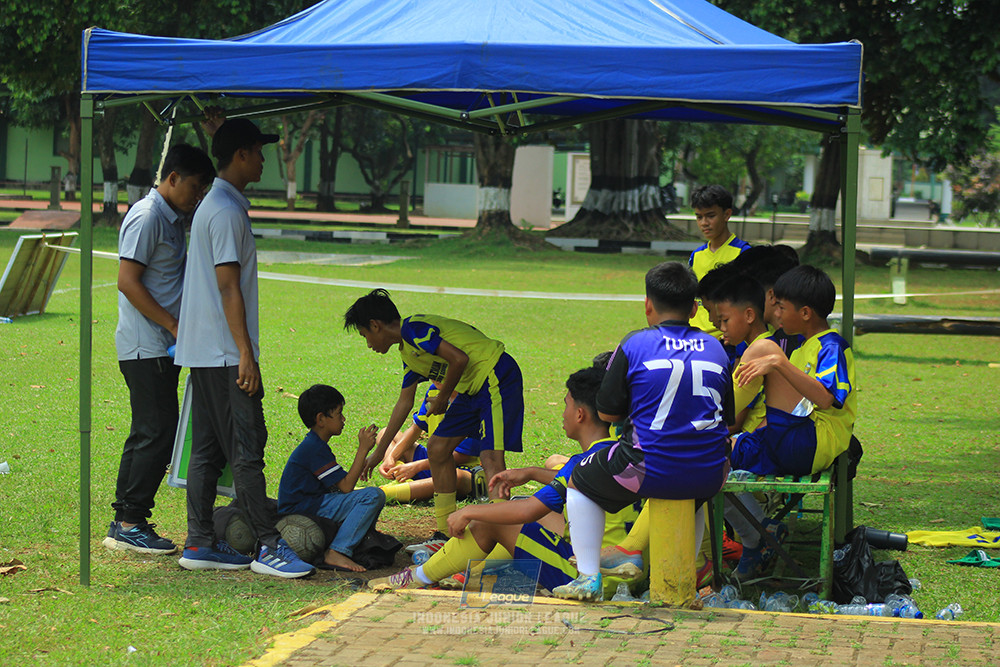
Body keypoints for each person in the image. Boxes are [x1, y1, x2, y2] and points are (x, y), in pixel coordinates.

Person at [174, 118, 314, 578]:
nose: (263, 159)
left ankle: (198, 542)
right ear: (240, 156)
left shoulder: (216, 205)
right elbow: (229, 287)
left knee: (209, 451)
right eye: (257, 151)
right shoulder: (226, 211)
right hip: (222, 352)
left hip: (206, 351)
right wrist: (245, 353)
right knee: (247, 445)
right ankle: (269, 547)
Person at [367, 366, 641, 598]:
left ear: (580, 414)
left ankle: (417, 577)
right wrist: (532, 472)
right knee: (530, 514)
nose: (563, 413)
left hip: (592, 578)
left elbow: (527, 511)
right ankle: (469, 572)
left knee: (492, 519)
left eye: (567, 404)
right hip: (627, 572)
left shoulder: (580, 464)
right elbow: (577, 482)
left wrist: (469, 510)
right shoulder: (618, 454)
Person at [554, 261, 731, 601]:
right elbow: (729, 415)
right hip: (711, 473)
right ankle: (687, 578)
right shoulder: (717, 349)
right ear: (695, 309)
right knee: (690, 497)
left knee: (578, 479)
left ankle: (587, 576)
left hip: (648, 468)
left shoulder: (634, 344)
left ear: (648, 305)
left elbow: (606, 411)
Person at [104, 144, 216, 555]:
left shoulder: (173, 218)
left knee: (153, 430)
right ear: (172, 178)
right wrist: (172, 324)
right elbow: (127, 281)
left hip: (162, 347)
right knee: (155, 431)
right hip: (145, 345)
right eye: (195, 186)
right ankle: (129, 522)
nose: (198, 195)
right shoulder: (148, 216)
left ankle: (128, 519)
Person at [343, 289, 524, 535]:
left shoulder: (414, 329)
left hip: (495, 375)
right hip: (470, 389)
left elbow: (458, 359)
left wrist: (441, 398)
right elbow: (403, 405)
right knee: (438, 448)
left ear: (375, 326)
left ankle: (500, 533)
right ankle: (446, 532)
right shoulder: (409, 355)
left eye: (365, 335)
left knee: (491, 457)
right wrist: (377, 454)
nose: (368, 344)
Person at [729, 265, 857, 578]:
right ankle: (759, 533)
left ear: (805, 312)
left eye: (781, 307)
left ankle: (714, 412)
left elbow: (826, 398)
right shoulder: (800, 349)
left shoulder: (831, 346)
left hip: (810, 444)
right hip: (788, 439)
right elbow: (794, 406)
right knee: (706, 456)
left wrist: (779, 363)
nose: (775, 312)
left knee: (765, 348)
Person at [278, 385, 385, 572]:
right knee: (373, 496)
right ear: (321, 419)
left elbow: (340, 486)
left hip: (310, 504)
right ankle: (337, 551)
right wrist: (363, 449)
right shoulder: (314, 448)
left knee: (366, 497)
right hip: (301, 510)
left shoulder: (315, 444)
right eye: (338, 414)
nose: (343, 419)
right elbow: (346, 487)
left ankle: (356, 542)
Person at [378, 387, 485, 504]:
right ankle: (402, 477)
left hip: (461, 469)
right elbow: (416, 428)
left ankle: (382, 493)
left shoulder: (473, 395)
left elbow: (462, 456)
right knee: (385, 434)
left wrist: (416, 466)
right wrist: (391, 458)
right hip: (430, 461)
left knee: (457, 477)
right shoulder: (433, 391)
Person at [688, 185, 751, 339]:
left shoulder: (743, 253)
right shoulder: (696, 256)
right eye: (699, 217)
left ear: (727, 214)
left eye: (710, 216)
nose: (704, 223)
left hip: (727, 341)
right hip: (696, 339)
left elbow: (749, 302)